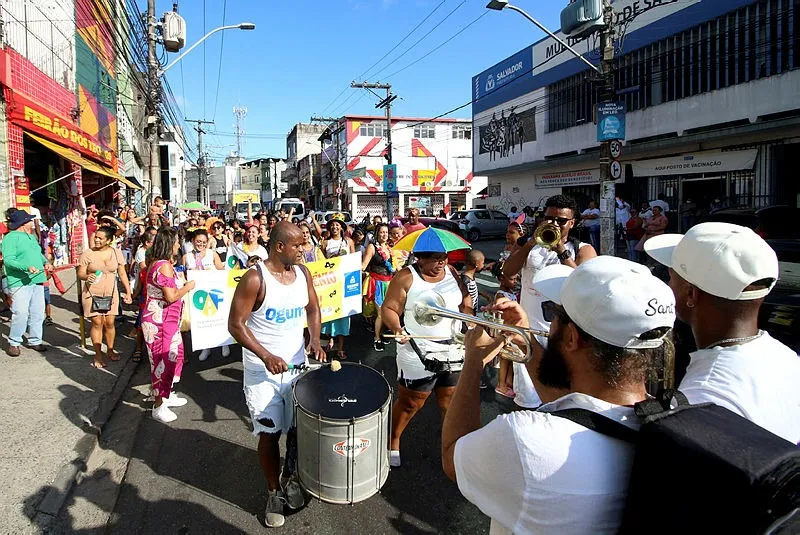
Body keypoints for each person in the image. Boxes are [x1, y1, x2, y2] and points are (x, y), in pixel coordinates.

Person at [442, 256, 677, 533]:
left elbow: (452, 455)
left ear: (571, 338)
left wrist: (473, 362)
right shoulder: (670, 415)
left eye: (555, 315)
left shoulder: (526, 439)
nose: (551, 323)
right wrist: (524, 337)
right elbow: (576, 410)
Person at [645, 222, 800, 444]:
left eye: (671, 278)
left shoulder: (703, 398)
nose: (668, 286)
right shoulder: (786, 357)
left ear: (691, 294)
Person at [228, 222, 325, 528]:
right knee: (270, 434)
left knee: (300, 430)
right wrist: (265, 355)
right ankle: (273, 492)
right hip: (263, 373)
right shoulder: (255, 279)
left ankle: (292, 477)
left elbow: (313, 308)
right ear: (280, 246)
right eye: (298, 246)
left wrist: (315, 339)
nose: (304, 250)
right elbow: (235, 325)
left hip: (297, 369)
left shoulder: (304, 273)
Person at [502, 195, 597, 410]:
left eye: (561, 221)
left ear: (572, 223)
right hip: (530, 331)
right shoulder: (529, 246)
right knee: (527, 399)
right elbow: (508, 272)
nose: (554, 224)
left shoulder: (583, 249)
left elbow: (585, 285)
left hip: (563, 336)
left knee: (562, 398)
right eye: (549, 219)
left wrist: (561, 251)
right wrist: (530, 244)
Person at [381, 246, 472, 468]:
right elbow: (389, 308)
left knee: (450, 402)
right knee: (411, 403)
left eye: (443, 258)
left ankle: (451, 447)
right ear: (420, 259)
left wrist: (468, 319)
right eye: (434, 258)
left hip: (452, 348)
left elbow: (465, 304)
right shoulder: (406, 277)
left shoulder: (452, 272)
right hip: (417, 348)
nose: (441, 263)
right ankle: (393, 440)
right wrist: (397, 328)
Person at [142, 227, 195, 423]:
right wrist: (187, 287)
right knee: (161, 361)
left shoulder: (163, 264)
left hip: (169, 321)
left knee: (175, 355)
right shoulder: (162, 265)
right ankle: (158, 405)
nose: (177, 245)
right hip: (160, 322)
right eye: (175, 242)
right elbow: (171, 296)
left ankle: (167, 394)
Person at [77, 226, 133, 368]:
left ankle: (110, 349)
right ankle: (97, 354)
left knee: (109, 323)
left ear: (108, 240)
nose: (96, 239)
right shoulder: (87, 254)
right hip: (92, 292)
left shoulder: (116, 253)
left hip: (111, 292)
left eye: (100, 238)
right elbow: (81, 273)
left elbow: (122, 273)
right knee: (97, 323)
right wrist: (86, 276)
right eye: (96, 237)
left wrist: (128, 292)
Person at [1, 211, 53, 356]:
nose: (33, 223)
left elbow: (38, 254)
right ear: (23, 224)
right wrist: (26, 267)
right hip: (19, 282)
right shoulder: (10, 239)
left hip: (37, 280)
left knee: (37, 312)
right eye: (30, 221)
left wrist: (46, 263)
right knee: (21, 313)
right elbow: (9, 260)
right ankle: (14, 342)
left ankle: (35, 340)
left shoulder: (30, 237)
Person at [181, 228, 227, 362]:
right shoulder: (186, 257)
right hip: (196, 294)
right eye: (198, 242)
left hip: (213, 291)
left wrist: (210, 272)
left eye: (204, 242)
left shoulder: (212, 254)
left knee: (217, 318)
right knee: (201, 321)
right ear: (193, 241)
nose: (201, 244)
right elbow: (182, 275)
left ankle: (224, 344)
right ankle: (206, 347)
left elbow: (222, 271)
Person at [320, 215, 354, 360]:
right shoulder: (325, 243)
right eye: (332, 225)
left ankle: (340, 347)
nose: (335, 227)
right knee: (329, 313)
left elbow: (353, 260)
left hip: (344, 281)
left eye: (338, 225)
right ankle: (330, 340)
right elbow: (320, 262)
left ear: (342, 227)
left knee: (343, 314)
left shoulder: (348, 242)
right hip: (329, 282)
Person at [361, 223, 393, 351]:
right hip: (377, 283)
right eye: (381, 232)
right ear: (377, 234)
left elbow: (394, 266)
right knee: (380, 313)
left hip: (389, 283)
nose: (384, 235)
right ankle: (377, 338)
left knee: (387, 311)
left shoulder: (389, 248)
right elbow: (364, 264)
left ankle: (383, 333)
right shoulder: (372, 247)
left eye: (386, 232)